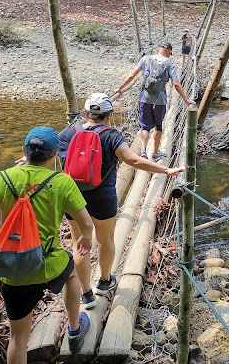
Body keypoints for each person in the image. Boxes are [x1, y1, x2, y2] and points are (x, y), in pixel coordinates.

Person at [0, 126, 94, 362]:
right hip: (48, 263)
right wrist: (86, 238)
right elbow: (86, 223)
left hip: (11, 270)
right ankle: (74, 329)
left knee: (18, 339)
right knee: (71, 273)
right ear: (55, 154)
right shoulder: (62, 181)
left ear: (24, 151)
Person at [58, 93, 184, 309]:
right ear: (109, 116)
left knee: (79, 243)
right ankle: (105, 282)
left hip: (72, 197)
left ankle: (86, 294)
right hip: (103, 197)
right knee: (105, 240)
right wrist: (166, 169)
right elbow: (133, 160)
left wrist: (26, 160)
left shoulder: (68, 132)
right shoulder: (111, 136)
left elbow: (46, 153)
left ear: (85, 113)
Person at [115, 41, 195, 161]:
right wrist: (186, 100)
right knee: (158, 126)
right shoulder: (169, 63)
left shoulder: (146, 59)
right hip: (160, 100)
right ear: (170, 52)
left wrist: (120, 88)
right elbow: (176, 84)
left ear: (158, 49)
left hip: (144, 98)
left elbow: (131, 75)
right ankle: (155, 153)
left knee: (145, 127)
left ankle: (143, 151)